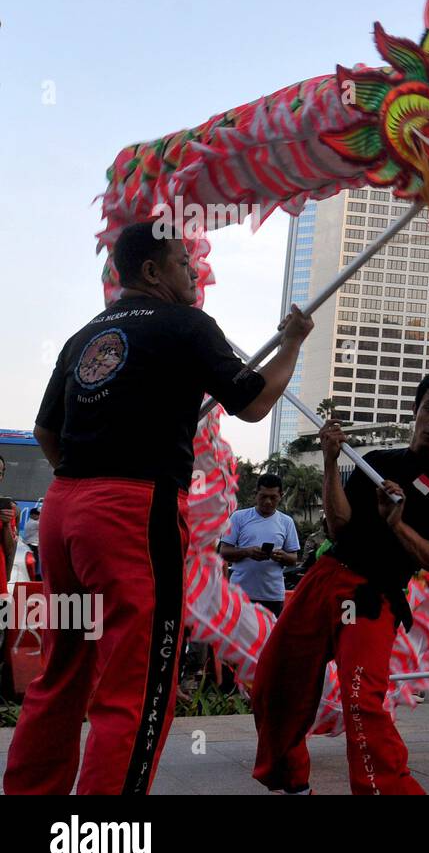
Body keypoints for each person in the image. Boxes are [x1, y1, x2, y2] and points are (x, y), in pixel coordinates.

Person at [4, 219, 311, 795]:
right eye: (181, 262)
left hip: (65, 509)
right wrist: (292, 341)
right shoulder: (186, 325)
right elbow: (252, 403)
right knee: (137, 681)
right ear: (151, 271)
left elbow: (48, 432)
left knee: (63, 670)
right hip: (131, 513)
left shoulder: (84, 336)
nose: (192, 270)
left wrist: (90, 467)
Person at [251, 371, 429, 795]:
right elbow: (339, 528)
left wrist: (398, 525)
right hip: (324, 580)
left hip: (373, 595)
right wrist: (332, 460)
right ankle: (292, 782)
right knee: (275, 682)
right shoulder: (376, 462)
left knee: (359, 700)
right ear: (417, 410)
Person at [218, 474, 300, 616]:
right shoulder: (239, 517)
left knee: (269, 637)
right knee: (237, 637)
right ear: (255, 494)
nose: (268, 501)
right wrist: (247, 552)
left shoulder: (287, 522)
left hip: (273, 596)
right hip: (240, 594)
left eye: (273, 497)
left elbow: (293, 558)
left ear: (281, 495)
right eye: (263, 496)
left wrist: (281, 556)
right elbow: (223, 552)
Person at [22, 505, 40, 578]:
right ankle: (33, 577)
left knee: (34, 563)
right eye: (37, 514)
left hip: (30, 545)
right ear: (32, 515)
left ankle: (33, 576)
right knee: (34, 563)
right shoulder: (35, 523)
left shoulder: (30, 522)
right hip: (33, 545)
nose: (39, 516)